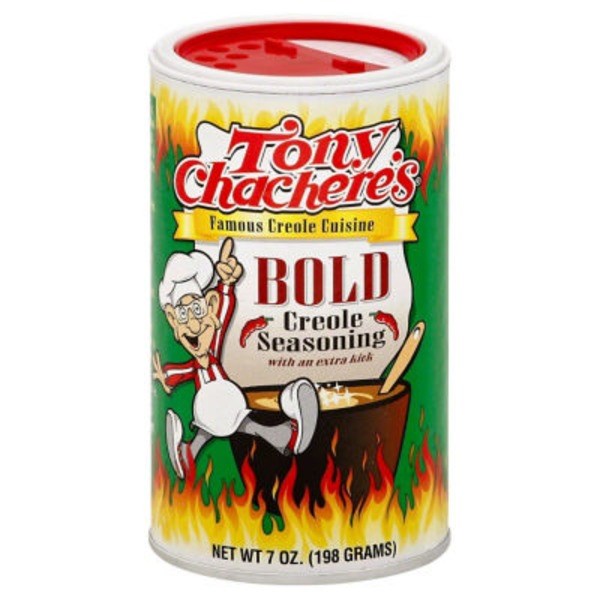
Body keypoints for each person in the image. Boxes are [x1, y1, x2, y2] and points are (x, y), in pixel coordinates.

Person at [153, 237, 319, 479]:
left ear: (209, 306)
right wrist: (163, 376)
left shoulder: (213, 343)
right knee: (232, 423)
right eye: (183, 315)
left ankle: (190, 454)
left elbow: (223, 313)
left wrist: (227, 284)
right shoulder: (197, 363)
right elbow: (182, 371)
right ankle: (286, 436)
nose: (194, 325)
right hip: (212, 403)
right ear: (171, 318)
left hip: (225, 399)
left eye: (197, 310)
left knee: (232, 422)